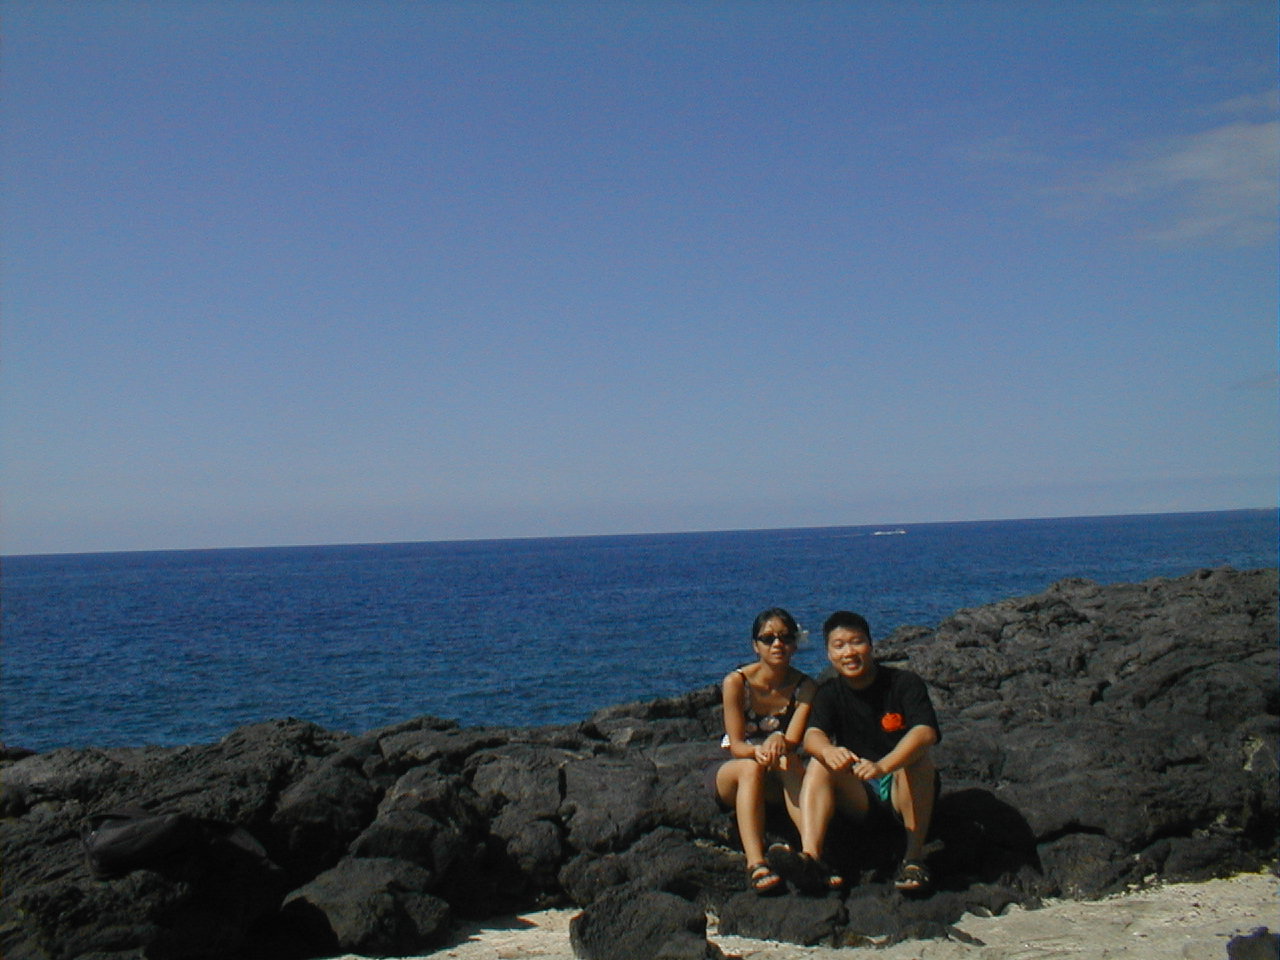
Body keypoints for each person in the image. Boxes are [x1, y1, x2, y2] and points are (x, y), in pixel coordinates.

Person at [775, 609, 940, 894]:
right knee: (819, 763)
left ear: (871, 645)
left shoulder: (903, 683)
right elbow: (812, 737)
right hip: (861, 795)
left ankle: (913, 860)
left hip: (901, 789)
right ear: (829, 654)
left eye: (856, 642)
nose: (849, 652)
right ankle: (812, 858)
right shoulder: (829, 692)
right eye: (839, 646)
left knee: (918, 761)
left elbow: (925, 732)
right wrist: (828, 751)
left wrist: (883, 766)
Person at [711, 607, 817, 895]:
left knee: (789, 762)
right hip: (737, 768)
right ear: (755, 646)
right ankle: (756, 863)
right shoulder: (737, 682)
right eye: (768, 638)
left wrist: (778, 742)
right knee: (751, 767)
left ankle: (812, 855)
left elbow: (792, 741)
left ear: (795, 644)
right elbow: (736, 745)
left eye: (785, 637)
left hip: (778, 769)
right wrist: (758, 751)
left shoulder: (805, 687)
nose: (777, 644)